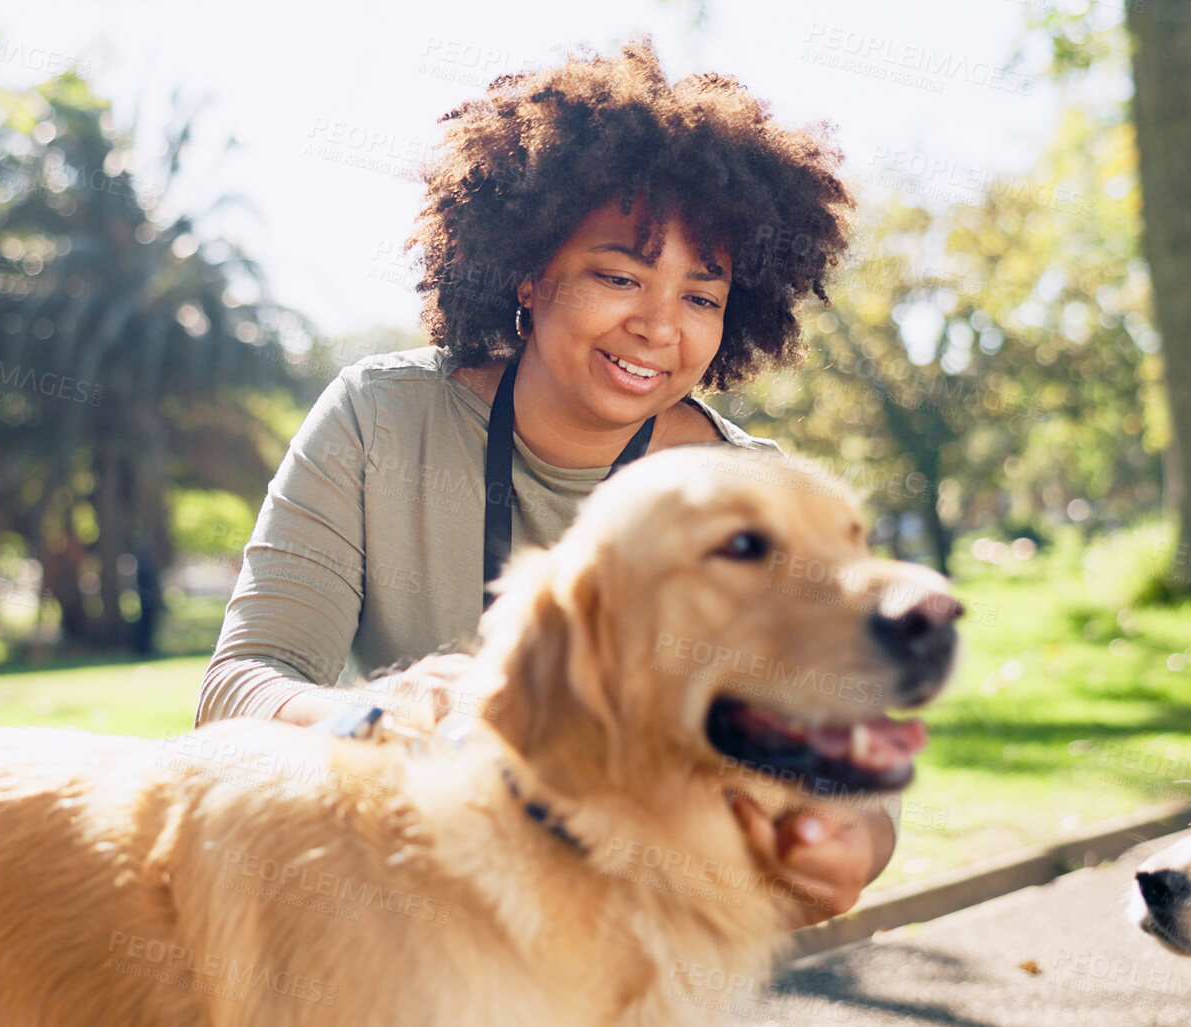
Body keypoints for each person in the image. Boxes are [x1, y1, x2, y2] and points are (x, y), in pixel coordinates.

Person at [196, 39, 892, 928]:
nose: (655, 326)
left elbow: (854, 787)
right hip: (411, 905)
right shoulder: (379, 416)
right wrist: (388, 718)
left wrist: (842, 849)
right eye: (618, 275)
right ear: (527, 271)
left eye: (700, 297)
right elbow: (240, 684)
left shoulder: (755, 498)